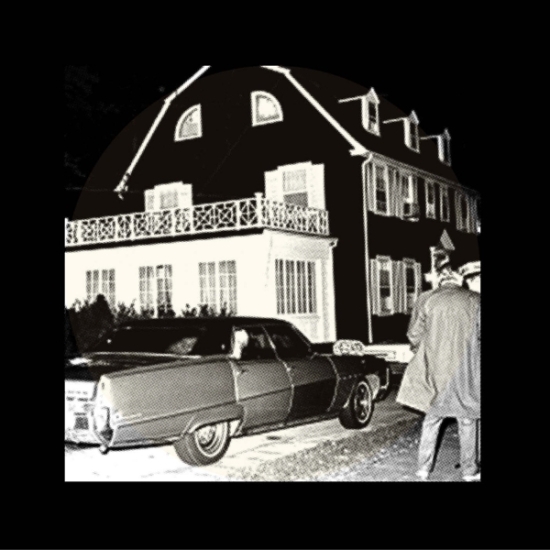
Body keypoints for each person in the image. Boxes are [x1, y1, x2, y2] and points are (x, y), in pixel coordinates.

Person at [396, 267, 481, 482]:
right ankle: (469, 471)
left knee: (432, 418)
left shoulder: (427, 299)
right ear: (459, 280)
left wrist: (424, 351)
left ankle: (423, 470)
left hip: (436, 370)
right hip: (465, 369)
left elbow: (414, 335)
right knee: (467, 419)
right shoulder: (474, 299)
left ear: (441, 280)